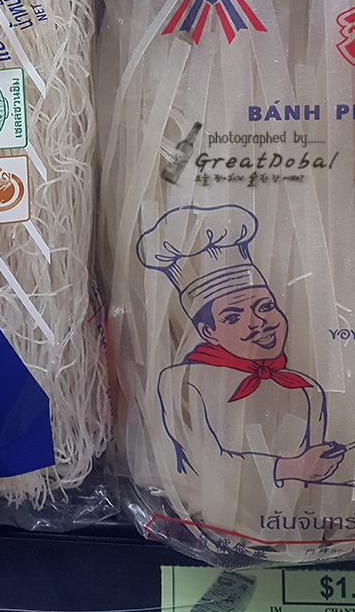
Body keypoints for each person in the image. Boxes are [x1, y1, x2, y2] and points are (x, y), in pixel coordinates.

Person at [137, 204, 345, 490]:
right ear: (207, 332)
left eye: (266, 306)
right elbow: (197, 466)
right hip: (201, 511)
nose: (259, 323)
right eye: (233, 317)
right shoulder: (180, 380)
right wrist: (290, 468)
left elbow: (312, 486)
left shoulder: (306, 388)